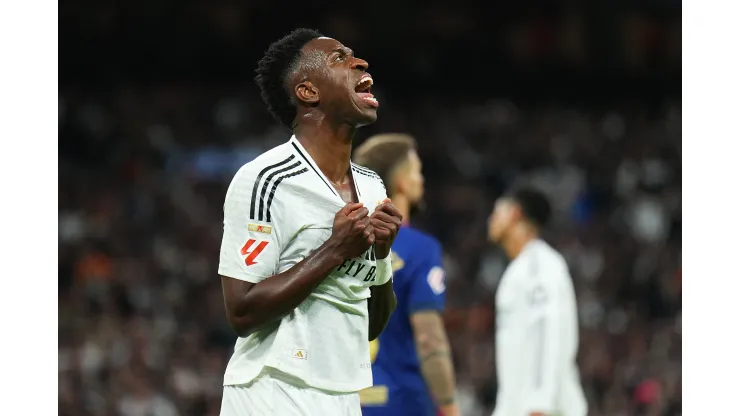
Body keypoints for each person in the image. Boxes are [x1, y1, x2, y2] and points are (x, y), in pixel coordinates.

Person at [217, 28, 400, 416]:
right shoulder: (265, 179)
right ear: (308, 92)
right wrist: (335, 250)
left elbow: (370, 326)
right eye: (339, 58)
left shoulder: (372, 186)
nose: (360, 62)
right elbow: (242, 312)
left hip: (343, 393)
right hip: (272, 388)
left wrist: (382, 255)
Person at [353, 134, 459, 416]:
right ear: (401, 181)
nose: (422, 179)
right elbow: (429, 338)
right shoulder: (420, 249)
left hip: (346, 401)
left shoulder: (342, 245)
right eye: (417, 171)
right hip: (401, 399)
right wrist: (449, 405)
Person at [487, 187, 587, 416]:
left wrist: (538, 403)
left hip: (545, 408)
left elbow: (545, 332)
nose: (491, 219)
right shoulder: (521, 268)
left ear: (515, 213)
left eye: (497, 211)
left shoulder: (539, 265)